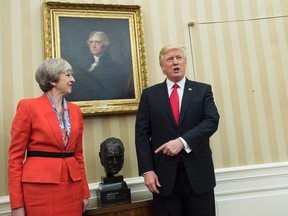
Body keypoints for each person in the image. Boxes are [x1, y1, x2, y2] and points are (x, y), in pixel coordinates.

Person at [135, 45, 220, 216]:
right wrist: (147, 171)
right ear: (162, 67)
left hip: (198, 174)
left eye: (179, 58)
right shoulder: (149, 95)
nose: (176, 62)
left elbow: (211, 121)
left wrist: (182, 142)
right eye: (170, 59)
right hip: (163, 177)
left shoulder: (202, 90)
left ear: (185, 63)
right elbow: (141, 135)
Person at [8, 58, 90, 216]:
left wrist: (85, 191)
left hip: (72, 188)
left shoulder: (75, 111)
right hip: (39, 190)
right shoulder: (28, 107)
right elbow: (15, 159)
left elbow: (78, 155)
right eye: (67, 75)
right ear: (52, 80)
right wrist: (16, 205)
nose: (73, 79)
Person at [66, 31, 134, 101]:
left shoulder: (114, 67)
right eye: (91, 42)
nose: (93, 45)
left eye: (98, 42)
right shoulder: (83, 64)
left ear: (105, 45)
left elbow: (112, 93)